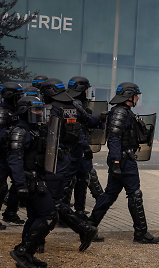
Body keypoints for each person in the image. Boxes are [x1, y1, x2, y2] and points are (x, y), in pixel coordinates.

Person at [88, 82, 159, 244]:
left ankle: (89, 227)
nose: (137, 99)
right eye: (136, 96)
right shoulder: (121, 113)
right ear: (129, 97)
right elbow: (114, 139)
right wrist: (115, 161)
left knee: (110, 194)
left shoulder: (124, 112)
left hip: (122, 159)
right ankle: (141, 233)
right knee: (134, 194)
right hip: (123, 160)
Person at [41, 78, 98, 252]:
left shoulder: (56, 109)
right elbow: (84, 124)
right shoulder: (70, 107)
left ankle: (83, 228)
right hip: (58, 158)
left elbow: (79, 129)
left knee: (50, 200)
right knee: (47, 199)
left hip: (54, 159)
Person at [8, 96, 58, 268]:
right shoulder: (20, 132)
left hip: (38, 178)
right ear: (24, 111)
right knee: (50, 216)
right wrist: (20, 186)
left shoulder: (34, 130)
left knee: (35, 217)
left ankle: (27, 256)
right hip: (29, 180)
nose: (38, 113)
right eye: (35, 110)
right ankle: (22, 251)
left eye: (39, 109)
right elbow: (14, 160)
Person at [63, 76, 105, 220]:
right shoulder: (73, 104)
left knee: (82, 179)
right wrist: (86, 147)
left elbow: (86, 119)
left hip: (76, 148)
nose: (87, 92)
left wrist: (99, 118)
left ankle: (78, 210)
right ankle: (65, 212)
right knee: (71, 181)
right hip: (75, 149)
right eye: (86, 89)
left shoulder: (73, 102)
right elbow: (77, 128)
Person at [0, 82, 25, 230]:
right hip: (1, 156)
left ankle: (10, 212)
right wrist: (9, 133)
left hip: (14, 154)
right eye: (18, 95)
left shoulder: (17, 110)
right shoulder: (2, 112)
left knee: (19, 183)